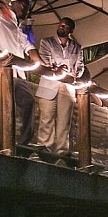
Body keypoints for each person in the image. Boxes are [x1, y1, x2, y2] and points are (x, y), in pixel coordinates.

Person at [0, 0, 41, 146]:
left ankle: (23, 141)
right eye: (22, 3)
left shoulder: (19, 27)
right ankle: (1, 137)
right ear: (12, 3)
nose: (25, 7)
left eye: (27, 5)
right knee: (5, 100)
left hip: (17, 71)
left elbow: (29, 47)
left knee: (28, 101)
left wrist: (44, 65)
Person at [34, 16, 85, 161]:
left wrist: (76, 72)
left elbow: (80, 66)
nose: (61, 27)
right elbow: (45, 60)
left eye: (65, 26)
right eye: (60, 25)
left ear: (71, 30)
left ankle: (61, 149)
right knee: (46, 117)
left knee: (64, 121)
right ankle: (44, 146)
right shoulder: (47, 42)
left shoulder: (77, 47)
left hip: (67, 87)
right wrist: (57, 67)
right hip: (48, 84)